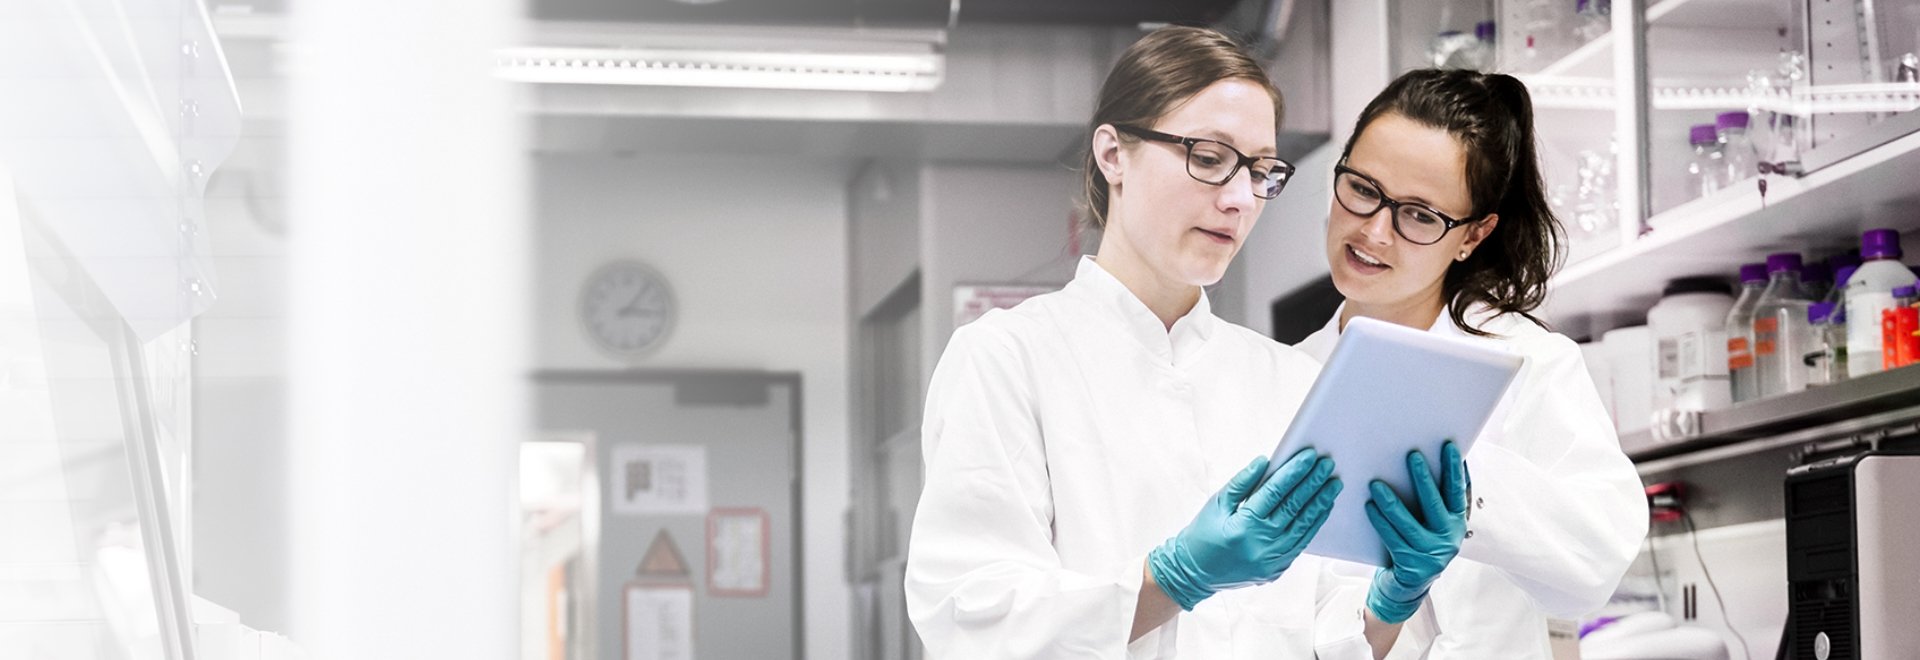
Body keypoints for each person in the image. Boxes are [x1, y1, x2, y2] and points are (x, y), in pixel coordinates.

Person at [905, 26, 1465, 660]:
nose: (1238, 199)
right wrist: (1173, 578)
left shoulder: (1292, 381)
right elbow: (974, 620)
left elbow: (1331, 638)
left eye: (1260, 170)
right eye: (1208, 157)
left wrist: (1394, 597)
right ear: (1113, 154)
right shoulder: (1007, 357)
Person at [1296, 68, 1650, 658]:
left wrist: (1465, 488)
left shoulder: (1527, 360)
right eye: (1361, 188)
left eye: (1419, 215)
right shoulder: (1283, 378)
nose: (1375, 232)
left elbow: (1597, 560)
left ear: (1473, 235)